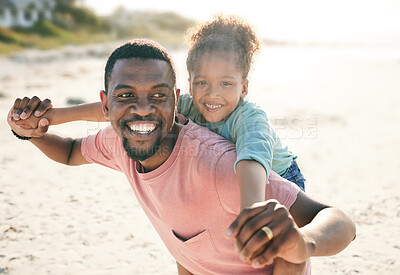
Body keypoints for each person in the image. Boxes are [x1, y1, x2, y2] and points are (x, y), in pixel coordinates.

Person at [8, 38, 356, 275]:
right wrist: (35, 130)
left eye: (157, 96)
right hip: (202, 256)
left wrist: (301, 242)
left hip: (268, 179)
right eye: (126, 95)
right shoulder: (119, 140)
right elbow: (70, 152)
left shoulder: (222, 162)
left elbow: (338, 220)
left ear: (175, 101)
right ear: (106, 103)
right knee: (184, 248)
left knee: (284, 242)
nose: (142, 110)